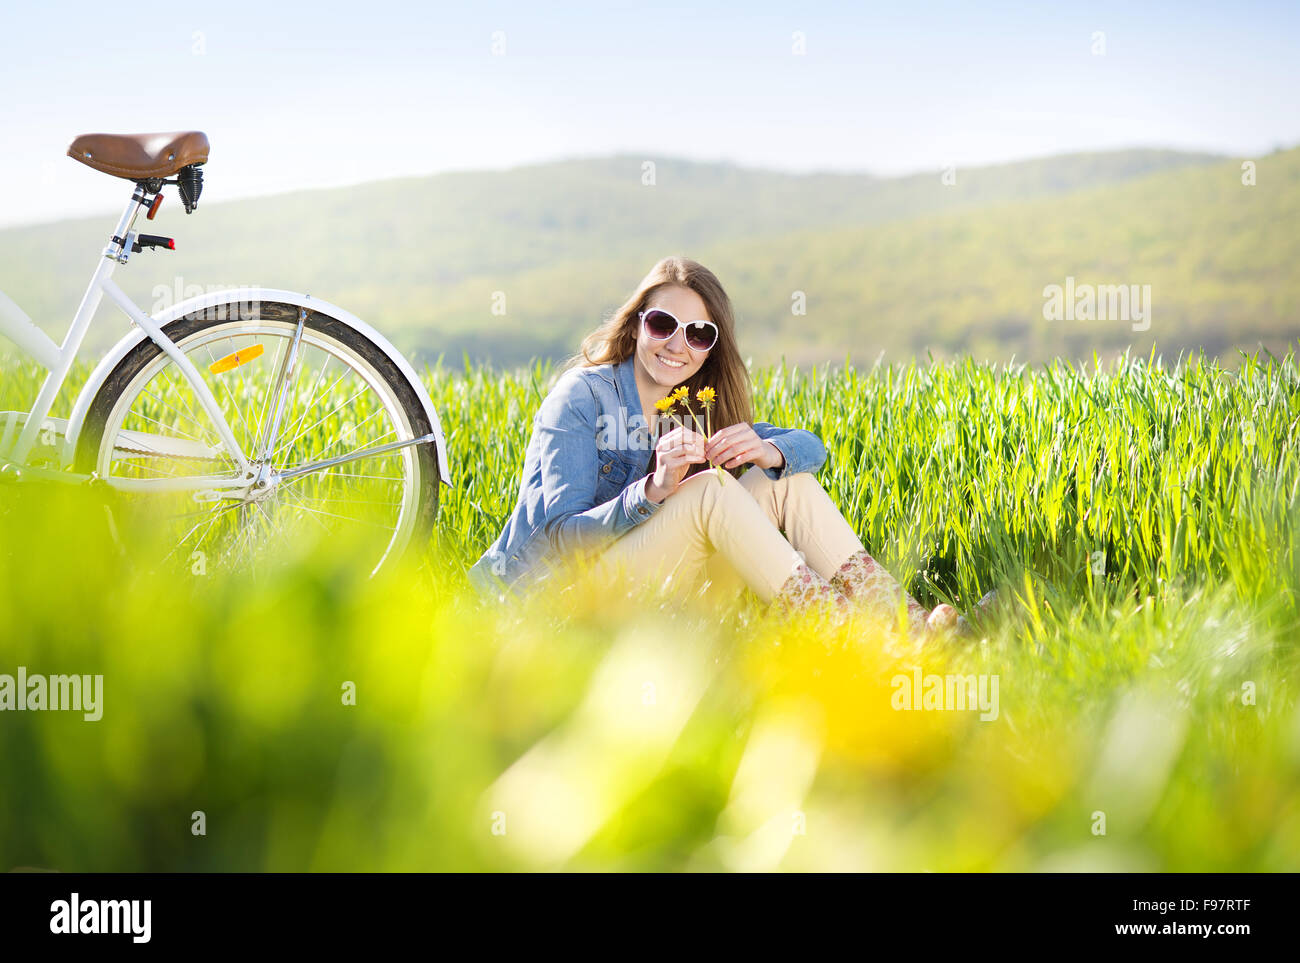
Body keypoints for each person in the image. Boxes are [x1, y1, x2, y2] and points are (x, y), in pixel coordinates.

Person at [468, 256, 978, 638]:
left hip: (650, 597)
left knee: (785, 479)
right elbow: (559, 537)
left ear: (713, 345)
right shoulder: (583, 396)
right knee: (710, 490)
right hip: (554, 610)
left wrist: (766, 451)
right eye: (663, 324)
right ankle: (857, 642)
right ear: (637, 323)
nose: (677, 345)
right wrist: (651, 491)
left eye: (698, 333)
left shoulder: (693, 403)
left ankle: (910, 628)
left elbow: (810, 448)